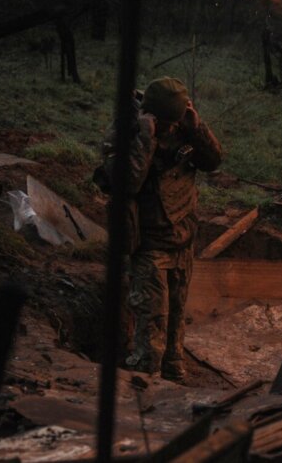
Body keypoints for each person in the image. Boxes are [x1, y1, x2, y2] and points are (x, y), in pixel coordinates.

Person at [99, 76, 223, 382]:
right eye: (166, 123)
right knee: (152, 317)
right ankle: (145, 378)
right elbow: (127, 183)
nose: (171, 129)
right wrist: (146, 138)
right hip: (150, 242)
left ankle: (173, 367)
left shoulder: (185, 126)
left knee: (177, 313)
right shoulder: (127, 133)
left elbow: (213, 162)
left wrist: (197, 129)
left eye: (174, 122)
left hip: (183, 235)